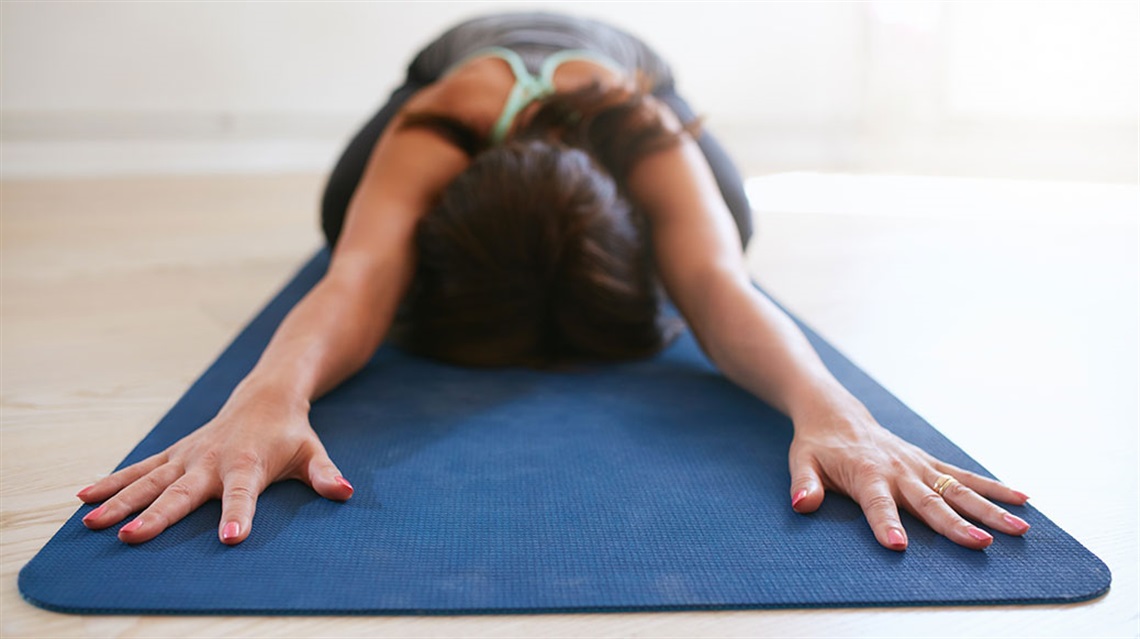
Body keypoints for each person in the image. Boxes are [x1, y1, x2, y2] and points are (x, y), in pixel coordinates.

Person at [77, 12, 1030, 551]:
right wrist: (265, 398)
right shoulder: (448, 115)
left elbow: (715, 282)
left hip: (614, 74)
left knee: (726, 226)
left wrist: (835, 414)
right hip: (460, 66)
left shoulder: (633, 121)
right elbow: (360, 273)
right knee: (347, 222)